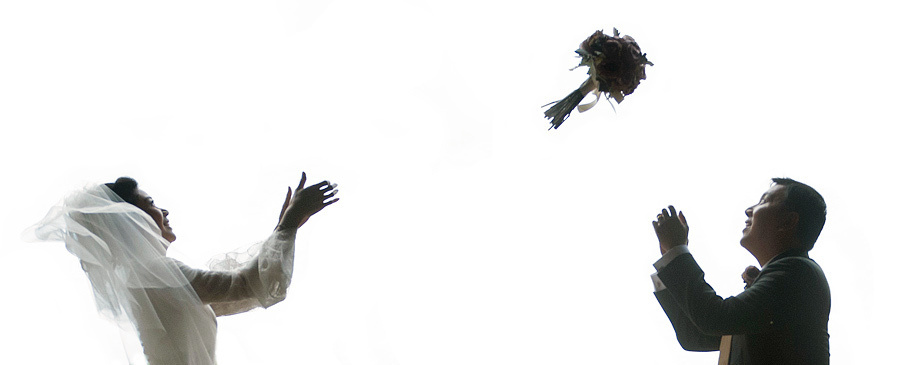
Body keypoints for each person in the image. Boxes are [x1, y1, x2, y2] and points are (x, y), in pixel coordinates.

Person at [26, 173, 338, 364]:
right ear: (132, 220)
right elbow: (246, 286)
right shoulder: (153, 271)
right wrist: (287, 225)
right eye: (150, 203)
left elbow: (231, 297)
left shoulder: (141, 277)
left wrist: (281, 229)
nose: (163, 210)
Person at [650, 178, 830, 364]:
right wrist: (672, 257)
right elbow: (695, 336)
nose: (749, 210)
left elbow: (713, 319)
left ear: (788, 221)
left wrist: (676, 252)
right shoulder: (792, 276)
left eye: (764, 201)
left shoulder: (797, 272)